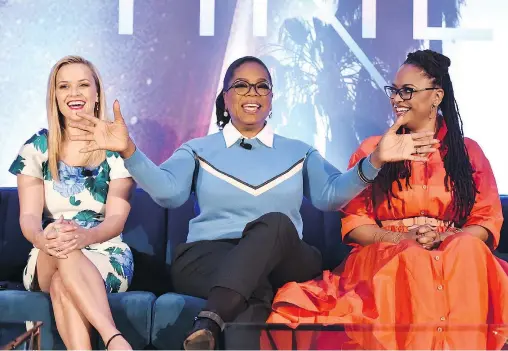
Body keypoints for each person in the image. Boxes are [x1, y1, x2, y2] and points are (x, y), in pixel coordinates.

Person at [68, 56, 438, 350]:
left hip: (285, 255)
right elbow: (168, 193)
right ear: (225, 97)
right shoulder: (198, 149)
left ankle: (208, 321)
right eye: (241, 85)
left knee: (275, 223)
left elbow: (329, 197)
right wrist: (129, 151)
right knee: (254, 291)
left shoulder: (298, 151)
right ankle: (219, 323)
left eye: (262, 86)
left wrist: (375, 160)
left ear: (271, 99)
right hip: (207, 257)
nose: (253, 92)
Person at [265, 50, 507, 350]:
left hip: (455, 249)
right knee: (413, 257)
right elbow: (355, 224)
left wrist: (444, 237)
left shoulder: (468, 152)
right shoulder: (372, 150)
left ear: (436, 96)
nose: (397, 99)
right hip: (385, 252)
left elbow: (486, 221)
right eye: (394, 90)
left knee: (469, 249)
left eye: (407, 91)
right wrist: (402, 237)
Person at [9, 56, 135, 350]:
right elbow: (28, 217)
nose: (74, 94)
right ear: (55, 95)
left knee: (61, 284)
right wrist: (42, 238)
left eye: (82, 85)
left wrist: (85, 236)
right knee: (62, 243)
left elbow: (116, 219)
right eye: (64, 86)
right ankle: (114, 338)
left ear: (96, 94)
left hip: (104, 250)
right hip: (48, 250)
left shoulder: (116, 147)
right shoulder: (37, 147)